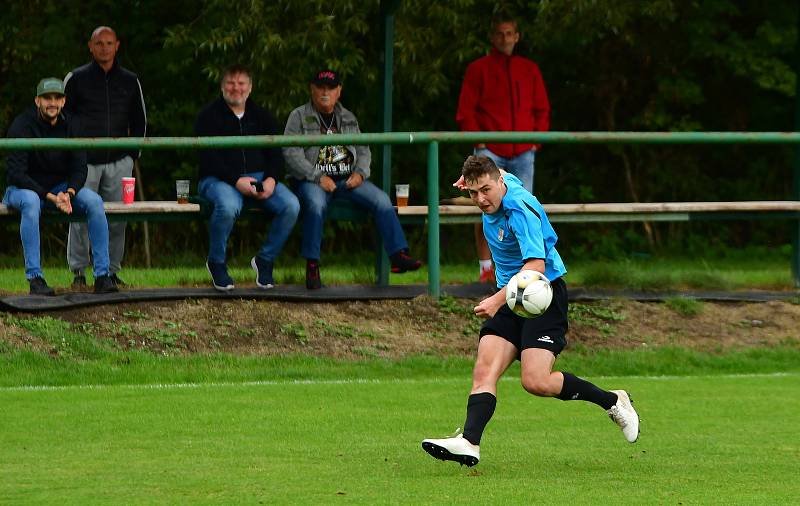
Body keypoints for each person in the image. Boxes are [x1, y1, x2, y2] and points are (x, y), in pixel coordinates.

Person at [421, 155, 638, 467]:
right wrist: (469, 178)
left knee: (536, 382)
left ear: (498, 184)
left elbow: (535, 266)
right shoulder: (502, 180)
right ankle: (469, 442)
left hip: (541, 292)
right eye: (472, 193)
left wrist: (497, 300)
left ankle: (613, 401)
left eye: (485, 190)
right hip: (511, 295)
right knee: (484, 371)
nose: (480, 199)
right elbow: (504, 171)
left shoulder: (519, 212)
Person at [283, 69, 421, 289]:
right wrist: (317, 176)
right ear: (312, 89)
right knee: (315, 204)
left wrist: (360, 173)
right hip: (312, 181)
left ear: (339, 91)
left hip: (348, 179)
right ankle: (312, 264)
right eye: (320, 87)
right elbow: (290, 153)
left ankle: (397, 255)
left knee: (381, 199)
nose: (325, 92)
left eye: (330, 88)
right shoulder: (298, 116)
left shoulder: (348, 116)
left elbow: (363, 148)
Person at [456, 13, 550, 284]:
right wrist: (480, 141)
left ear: (517, 36)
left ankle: (526, 269)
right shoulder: (478, 68)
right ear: (492, 37)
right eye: (500, 33)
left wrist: (537, 139)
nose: (505, 38)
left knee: (523, 209)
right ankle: (486, 267)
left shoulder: (529, 69)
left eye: (510, 33)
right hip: (490, 152)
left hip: (523, 151)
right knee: (485, 205)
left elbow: (542, 108)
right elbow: (466, 111)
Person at [3, 78, 118, 295]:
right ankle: (35, 278)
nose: (52, 102)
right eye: (47, 98)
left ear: (64, 101)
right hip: (24, 190)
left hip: (61, 189)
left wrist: (69, 192)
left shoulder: (73, 124)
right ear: (37, 101)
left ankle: (103, 276)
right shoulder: (21, 125)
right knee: (30, 201)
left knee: (94, 201)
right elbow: (16, 174)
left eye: (57, 98)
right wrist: (49, 196)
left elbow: (79, 167)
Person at [195, 64, 300, 291]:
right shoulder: (207, 116)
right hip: (218, 180)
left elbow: (276, 154)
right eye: (231, 83)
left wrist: (271, 179)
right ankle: (216, 262)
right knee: (228, 205)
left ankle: (265, 259)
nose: (236, 88)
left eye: (241, 83)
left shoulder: (262, 116)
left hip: (260, 177)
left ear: (250, 87)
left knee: (291, 205)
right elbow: (207, 158)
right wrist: (236, 181)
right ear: (222, 86)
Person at [64, 25, 147, 288]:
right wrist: (72, 155)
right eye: (99, 43)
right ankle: (78, 271)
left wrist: (132, 155)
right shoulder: (75, 79)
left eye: (109, 43)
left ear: (117, 45)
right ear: (90, 46)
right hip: (84, 164)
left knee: (118, 217)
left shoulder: (130, 80)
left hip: (119, 162)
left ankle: (110, 270)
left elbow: (140, 119)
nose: (104, 48)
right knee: (79, 218)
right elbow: (63, 118)